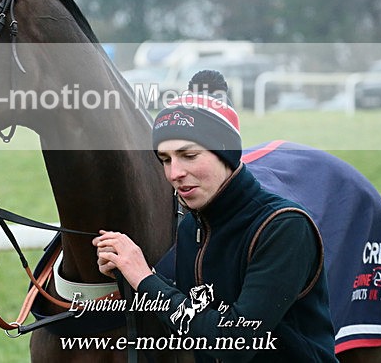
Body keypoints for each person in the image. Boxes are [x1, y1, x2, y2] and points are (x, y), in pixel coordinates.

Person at [93, 70, 338, 362]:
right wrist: (127, 269)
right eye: (165, 159)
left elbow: (234, 342)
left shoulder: (284, 227)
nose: (174, 173)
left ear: (225, 152)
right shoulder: (191, 227)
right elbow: (188, 320)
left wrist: (144, 277)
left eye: (189, 155)